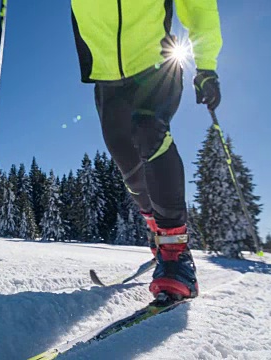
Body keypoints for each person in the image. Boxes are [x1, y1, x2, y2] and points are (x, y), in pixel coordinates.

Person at [69, 0, 222, 300]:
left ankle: (176, 253)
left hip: (157, 61)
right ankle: (157, 233)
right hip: (107, 73)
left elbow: (199, 5)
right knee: (128, 163)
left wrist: (206, 65)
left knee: (149, 130)